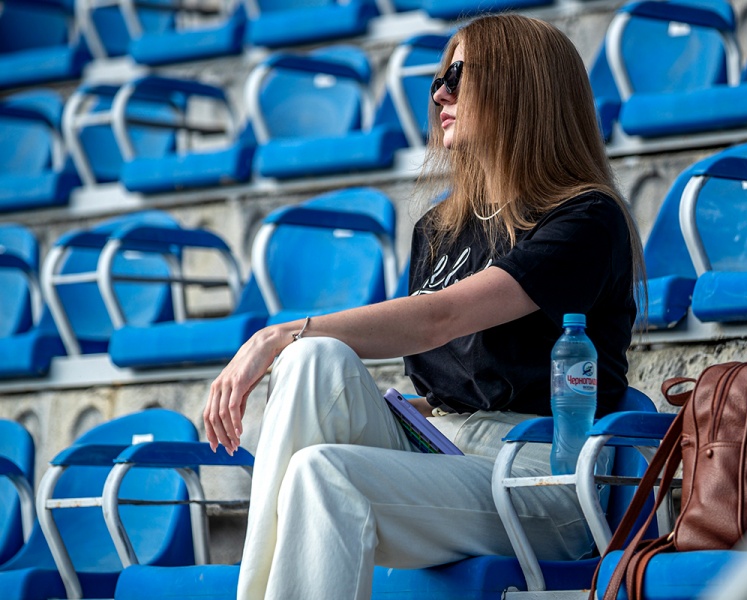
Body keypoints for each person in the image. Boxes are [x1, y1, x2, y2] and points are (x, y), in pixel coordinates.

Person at [203, 13, 645, 600]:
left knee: (321, 465)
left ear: (520, 87)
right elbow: (451, 384)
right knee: (314, 360)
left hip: (540, 474)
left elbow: (442, 319)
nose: (440, 94)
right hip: (440, 447)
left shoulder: (585, 219)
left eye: (459, 77)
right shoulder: (441, 226)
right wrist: (399, 398)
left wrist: (275, 334)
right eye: (439, 78)